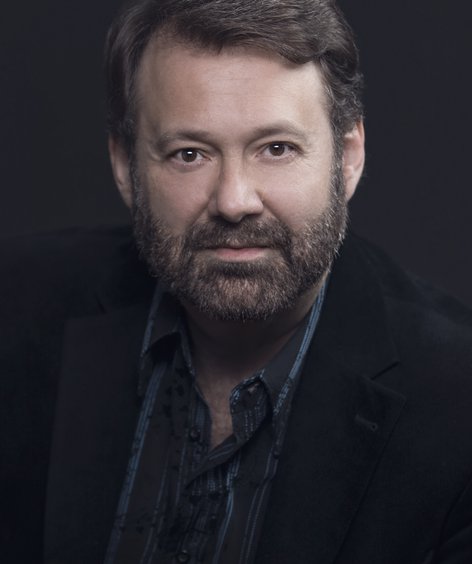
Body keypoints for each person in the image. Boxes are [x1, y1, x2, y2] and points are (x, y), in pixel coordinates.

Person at [1, 0, 472, 562]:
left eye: (276, 148)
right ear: (126, 167)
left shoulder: (457, 409)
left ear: (347, 157)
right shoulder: (16, 310)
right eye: (190, 154)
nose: (233, 201)